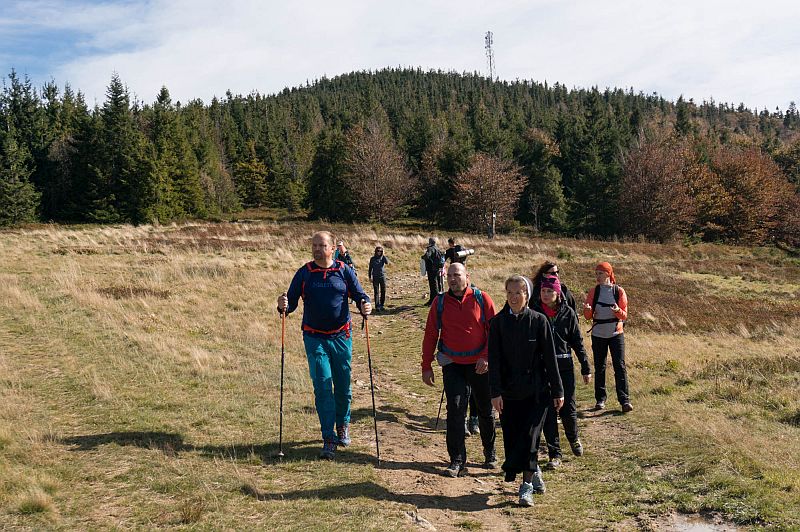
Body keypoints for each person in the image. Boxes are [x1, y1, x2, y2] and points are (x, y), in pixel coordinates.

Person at [277, 231, 371, 460]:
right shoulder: (305, 273)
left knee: (342, 385)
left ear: (332, 248)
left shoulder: (344, 270)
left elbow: (360, 295)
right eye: (314, 245)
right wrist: (282, 306)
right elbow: (290, 304)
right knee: (322, 385)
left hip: (341, 336)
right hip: (314, 337)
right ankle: (328, 438)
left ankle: (343, 425)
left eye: (322, 245)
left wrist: (365, 305)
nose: (317, 249)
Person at [488, 275, 564, 507]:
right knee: (513, 440)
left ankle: (526, 486)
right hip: (509, 393)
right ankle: (534, 467)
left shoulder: (539, 321)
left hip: (536, 392)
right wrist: (495, 392)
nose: (513, 297)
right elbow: (495, 359)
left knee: (531, 437)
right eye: (509, 292)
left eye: (518, 293)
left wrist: (558, 390)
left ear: (527, 296)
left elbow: (550, 359)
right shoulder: (498, 323)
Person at [421, 263, 497, 477]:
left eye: (457, 275)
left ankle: (489, 452)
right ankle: (456, 460)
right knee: (455, 410)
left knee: (485, 409)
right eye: (449, 276)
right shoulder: (440, 302)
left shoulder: (483, 299)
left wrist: (486, 356)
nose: (453, 279)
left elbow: (495, 332)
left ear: (467, 277)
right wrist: (426, 366)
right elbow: (430, 335)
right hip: (453, 365)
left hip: (480, 365)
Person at [533, 275, 591, 469]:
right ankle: (554, 454)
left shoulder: (568, 313)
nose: (546, 295)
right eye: (543, 291)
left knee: (568, 410)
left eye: (550, 291)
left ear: (558, 293)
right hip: (542, 369)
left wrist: (585, 366)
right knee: (548, 412)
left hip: (564, 367)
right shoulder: (535, 312)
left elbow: (577, 341)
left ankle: (573, 438)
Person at [583, 262, 632, 413]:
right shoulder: (593, 291)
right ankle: (600, 400)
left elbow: (624, 315)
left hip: (616, 334)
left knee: (620, 366)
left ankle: (624, 401)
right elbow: (587, 317)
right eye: (596, 273)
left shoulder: (619, 291)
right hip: (598, 334)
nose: (597, 277)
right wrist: (587, 310)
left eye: (600, 273)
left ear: (609, 274)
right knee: (600, 367)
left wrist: (617, 311)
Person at [422, 238, 444, 306]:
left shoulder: (431, 249)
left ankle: (434, 301)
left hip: (432, 269)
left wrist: (422, 257)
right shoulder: (437, 248)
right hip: (437, 268)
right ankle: (433, 300)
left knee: (433, 285)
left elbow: (427, 256)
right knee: (436, 284)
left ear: (430, 242)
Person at [368, 246, 390, 312]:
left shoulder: (383, 258)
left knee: (383, 291)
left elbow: (387, 262)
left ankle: (382, 305)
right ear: (375, 251)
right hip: (375, 277)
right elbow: (370, 268)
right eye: (378, 251)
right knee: (376, 292)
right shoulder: (372, 259)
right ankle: (377, 306)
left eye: (380, 251)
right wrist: (369, 277)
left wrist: (383, 255)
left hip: (382, 276)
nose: (379, 252)